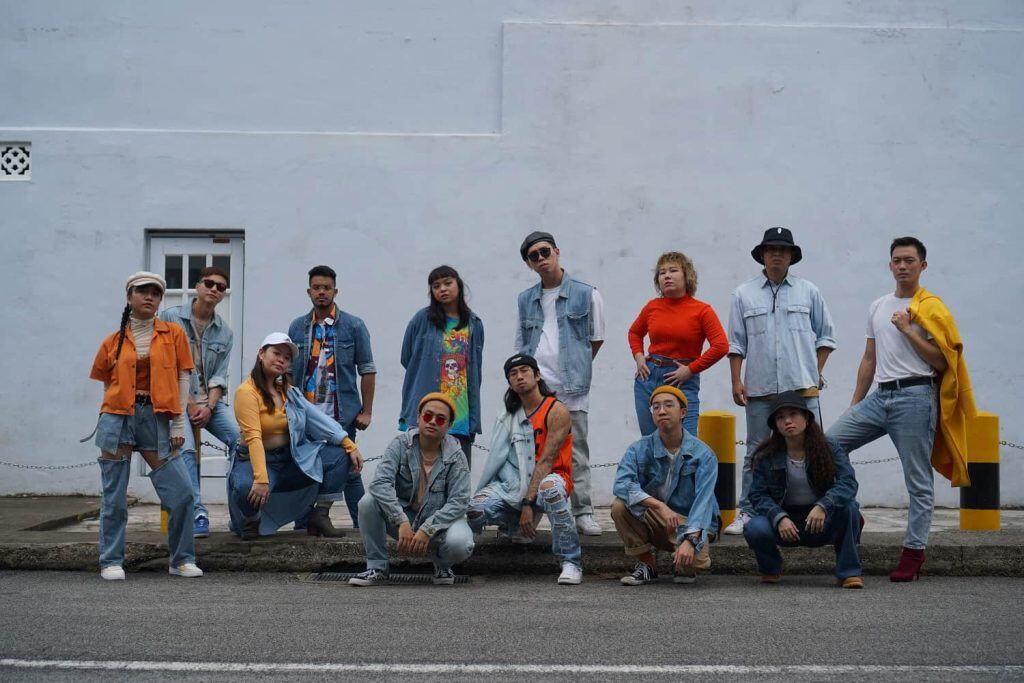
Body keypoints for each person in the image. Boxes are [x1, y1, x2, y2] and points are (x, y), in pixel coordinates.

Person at [827, 237, 975, 582]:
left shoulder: (932, 308)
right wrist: (855, 404)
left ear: (922, 265)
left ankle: (913, 553)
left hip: (915, 395)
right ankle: (851, 512)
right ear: (890, 265)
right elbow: (868, 358)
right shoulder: (878, 305)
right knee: (829, 444)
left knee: (917, 481)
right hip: (880, 396)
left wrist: (909, 330)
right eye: (897, 260)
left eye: (909, 260)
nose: (903, 266)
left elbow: (942, 361)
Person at [89, 271, 202, 580]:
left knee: (181, 494)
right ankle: (111, 560)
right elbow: (106, 383)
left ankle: (181, 559)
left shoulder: (173, 334)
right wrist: (111, 414)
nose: (149, 297)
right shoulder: (113, 341)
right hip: (117, 417)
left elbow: (183, 377)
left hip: (157, 417)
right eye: (142, 291)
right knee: (114, 496)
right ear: (130, 298)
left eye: (155, 292)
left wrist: (179, 423)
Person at [725, 227, 837, 535]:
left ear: (791, 256)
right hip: (759, 387)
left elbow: (826, 336)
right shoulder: (743, 294)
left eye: (783, 250)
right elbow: (736, 343)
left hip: (801, 386)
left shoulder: (809, 291)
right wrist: (736, 381)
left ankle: (817, 508)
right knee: (755, 451)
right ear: (762, 254)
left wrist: (815, 371)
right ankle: (747, 510)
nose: (777, 254)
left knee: (814, 448)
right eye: (771, 249)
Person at [514, 231, 606, 536]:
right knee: (533, 450)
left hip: (572, 386)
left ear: (557, 251)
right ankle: (534, 509)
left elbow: (596, 338)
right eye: (533, 256)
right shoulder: (526, 299)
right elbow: (521, 342)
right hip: (537, 390)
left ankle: (582, 511)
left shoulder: (586, 293)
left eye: (545, 252)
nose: (541, 259)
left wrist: (573, 368)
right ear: (529, 264)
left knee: (577, 449)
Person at [229, 333, 364, 539]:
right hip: (257, 461)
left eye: (287, 357)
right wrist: (261, 479)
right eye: (276, 353)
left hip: (290, 459)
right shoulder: (246, 392)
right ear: (261, 354)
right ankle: (251, 520)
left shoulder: (288, 391)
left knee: (340, 456)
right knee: (247, 487)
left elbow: (315, 417)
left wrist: (348, 443)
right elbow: (254, 437)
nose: (281, 360)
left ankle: (319, 515)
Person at [469, 354, 583, 585]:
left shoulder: (556, 410)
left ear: (537, 375)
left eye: (524, 371)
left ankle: (570, 561)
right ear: (509, 383)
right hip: (514, 483)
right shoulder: (507, 416)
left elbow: (547, 460)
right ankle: (511, 528)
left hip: (551, 478)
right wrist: (512, 495)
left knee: (550, 488)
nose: (519, 377)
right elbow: (499, 460)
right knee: (476, 508)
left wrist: (527, 504)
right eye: (513, 374)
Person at [349, 393, 474, 587]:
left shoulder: (456, 456)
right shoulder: (400, 445)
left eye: (440, 419)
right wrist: (401, 520)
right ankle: (377, 567)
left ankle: (442, 565)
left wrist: (427, 529)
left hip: (438, 522)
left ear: (449, 426)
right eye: (427, 416)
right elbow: (380, 484)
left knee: (461, 544)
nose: (432, 421)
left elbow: (459, 502)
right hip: (404, 519)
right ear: (418, 417)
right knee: (368, 502)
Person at [743, 391, 863, 588]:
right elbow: (757, 495)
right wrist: (778, 517)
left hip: (821, 519)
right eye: (780, 418)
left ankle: (848, 572)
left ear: (806, 418)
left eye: (793, 414)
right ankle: (771, 568)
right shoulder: (766, 455)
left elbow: (848, 483)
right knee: (754, 527)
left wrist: (823, 506)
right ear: (775, 425)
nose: (787, 421)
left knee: (850, 509)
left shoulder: (830, 447)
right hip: (786, 521)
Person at [288, 265, 375, 527]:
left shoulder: (354, 325)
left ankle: (363, 527)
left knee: (349, 467)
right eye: (317, 288)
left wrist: (367, 411)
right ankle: (303, 526)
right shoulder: (297, 327)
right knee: (304, 467)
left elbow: (367, 370)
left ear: (335, 291)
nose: (322, 293)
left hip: (343, 413)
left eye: (327, 288)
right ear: (309, 292)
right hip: (306, 413)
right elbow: (288, 372)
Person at [610, 385, 720, 586]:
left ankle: (683, 556)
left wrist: (690, 541)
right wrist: (660, 506)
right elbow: (622, 484)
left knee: (689, 568)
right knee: (620, 505)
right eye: (656, 407)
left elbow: (703, 504)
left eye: (668, 405)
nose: (661, 411)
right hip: (658, 517)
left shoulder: (703, 454)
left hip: (691, 521)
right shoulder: (638, 449)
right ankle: (647, 565)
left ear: (683, 413)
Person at [159, 265, 240, 538]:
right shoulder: (170, 317)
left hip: (210, 402)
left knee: (243, 441)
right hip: (177, 400)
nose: (214, 289)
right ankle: (197, 512)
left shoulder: (225, 333)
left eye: (221, 287)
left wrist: (210, 406)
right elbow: (165, 366)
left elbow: (220, 376)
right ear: (197, 285)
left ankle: (240, 513)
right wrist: (190, 403)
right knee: (186, 449)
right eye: (209, 283)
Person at [629, 251, 728, 436]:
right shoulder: (652, 306)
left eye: (673, 270)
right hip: (648, 376)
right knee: (650, 440)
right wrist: (639, 356)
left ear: (686, 276)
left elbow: (721, 346)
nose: (666, 276)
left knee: (686, 442)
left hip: (682, 379)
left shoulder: (702, 310)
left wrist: (690, 369)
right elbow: (635, 332)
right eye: (661, 272)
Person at [399, 265, 484, 466]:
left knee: (457, 475)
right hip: (426, 410)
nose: (442, 289)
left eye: (448, 283)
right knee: (418, 474)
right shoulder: (422, 319)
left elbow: (475, 370)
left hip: (459, 414)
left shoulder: (473, 323)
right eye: (436, 286)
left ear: (459, 285)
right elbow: (407, 359)